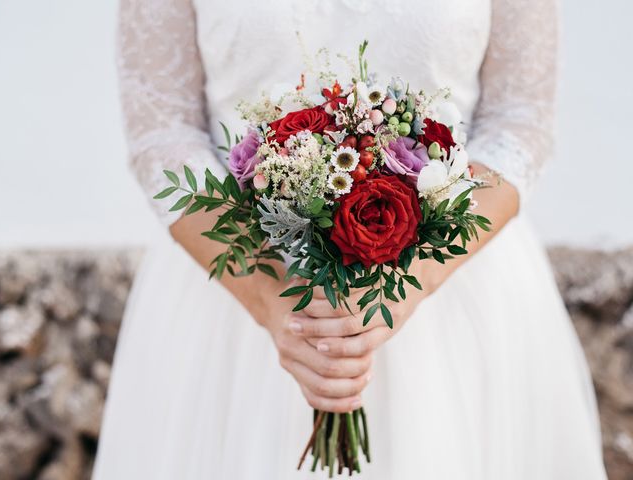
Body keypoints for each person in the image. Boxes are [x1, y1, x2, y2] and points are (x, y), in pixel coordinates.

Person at [93, 0, 608, 478]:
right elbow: (162, 132)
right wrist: (277, 308)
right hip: (232, 293)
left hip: (456, 296)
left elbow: (520, 126)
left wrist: (411, 281)